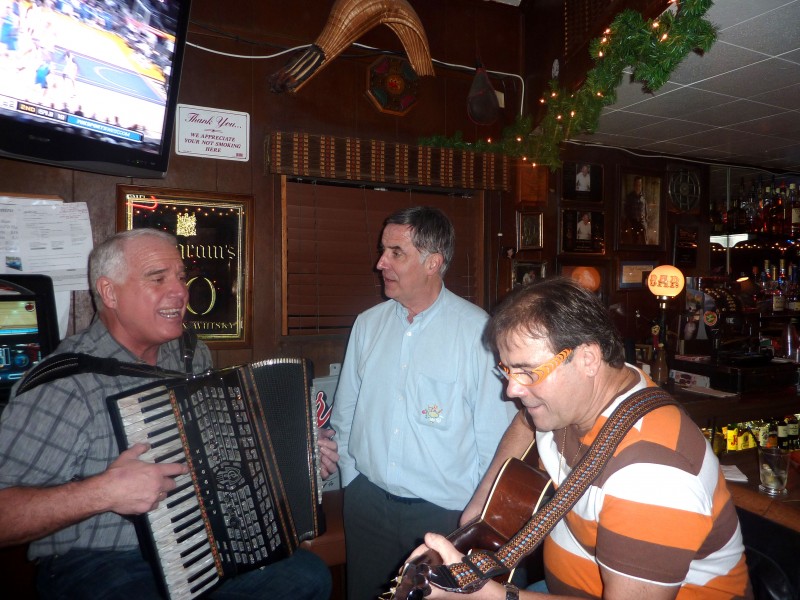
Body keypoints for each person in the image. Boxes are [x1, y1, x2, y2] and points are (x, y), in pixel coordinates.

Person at [0, 229, 336, 600]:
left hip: (202, 544)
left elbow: (224, 450)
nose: (179, 291)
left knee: (307, 576)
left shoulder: (191, 354)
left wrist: (295, 456)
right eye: (157, 278)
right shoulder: (65, 385)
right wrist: (102, 492)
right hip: (100, 562)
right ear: (110, 292)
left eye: (180, 277)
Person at [408, 277, 752, 599]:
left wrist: (494, 595)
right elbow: (526, 422)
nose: (512, 389)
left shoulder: (652, 476)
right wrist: (478, 515)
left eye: (527, 372)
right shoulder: (583, 397)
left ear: (587, 358)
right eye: (507, 370)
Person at [331, 206, 516, 600]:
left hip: (442, 517)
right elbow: (345, 413)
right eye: (383, 250)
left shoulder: (479, 334)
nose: (380, 262)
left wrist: (475, 523)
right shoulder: (367, 324)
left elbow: (496, 442)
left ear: (433, 262)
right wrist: (353, 483)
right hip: (367, 506)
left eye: (396, 252)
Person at [622, 175, 647, 244]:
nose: (638, 186)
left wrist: (645, 220)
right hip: (633, 223)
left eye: (640, 184)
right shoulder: (630, 197)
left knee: (644, 241)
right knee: (634, 241)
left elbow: (645, 209)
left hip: (642, 223)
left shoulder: (643, 197)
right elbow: (626, 210)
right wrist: (629, 222)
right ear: (634, 185)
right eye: (637, 184)